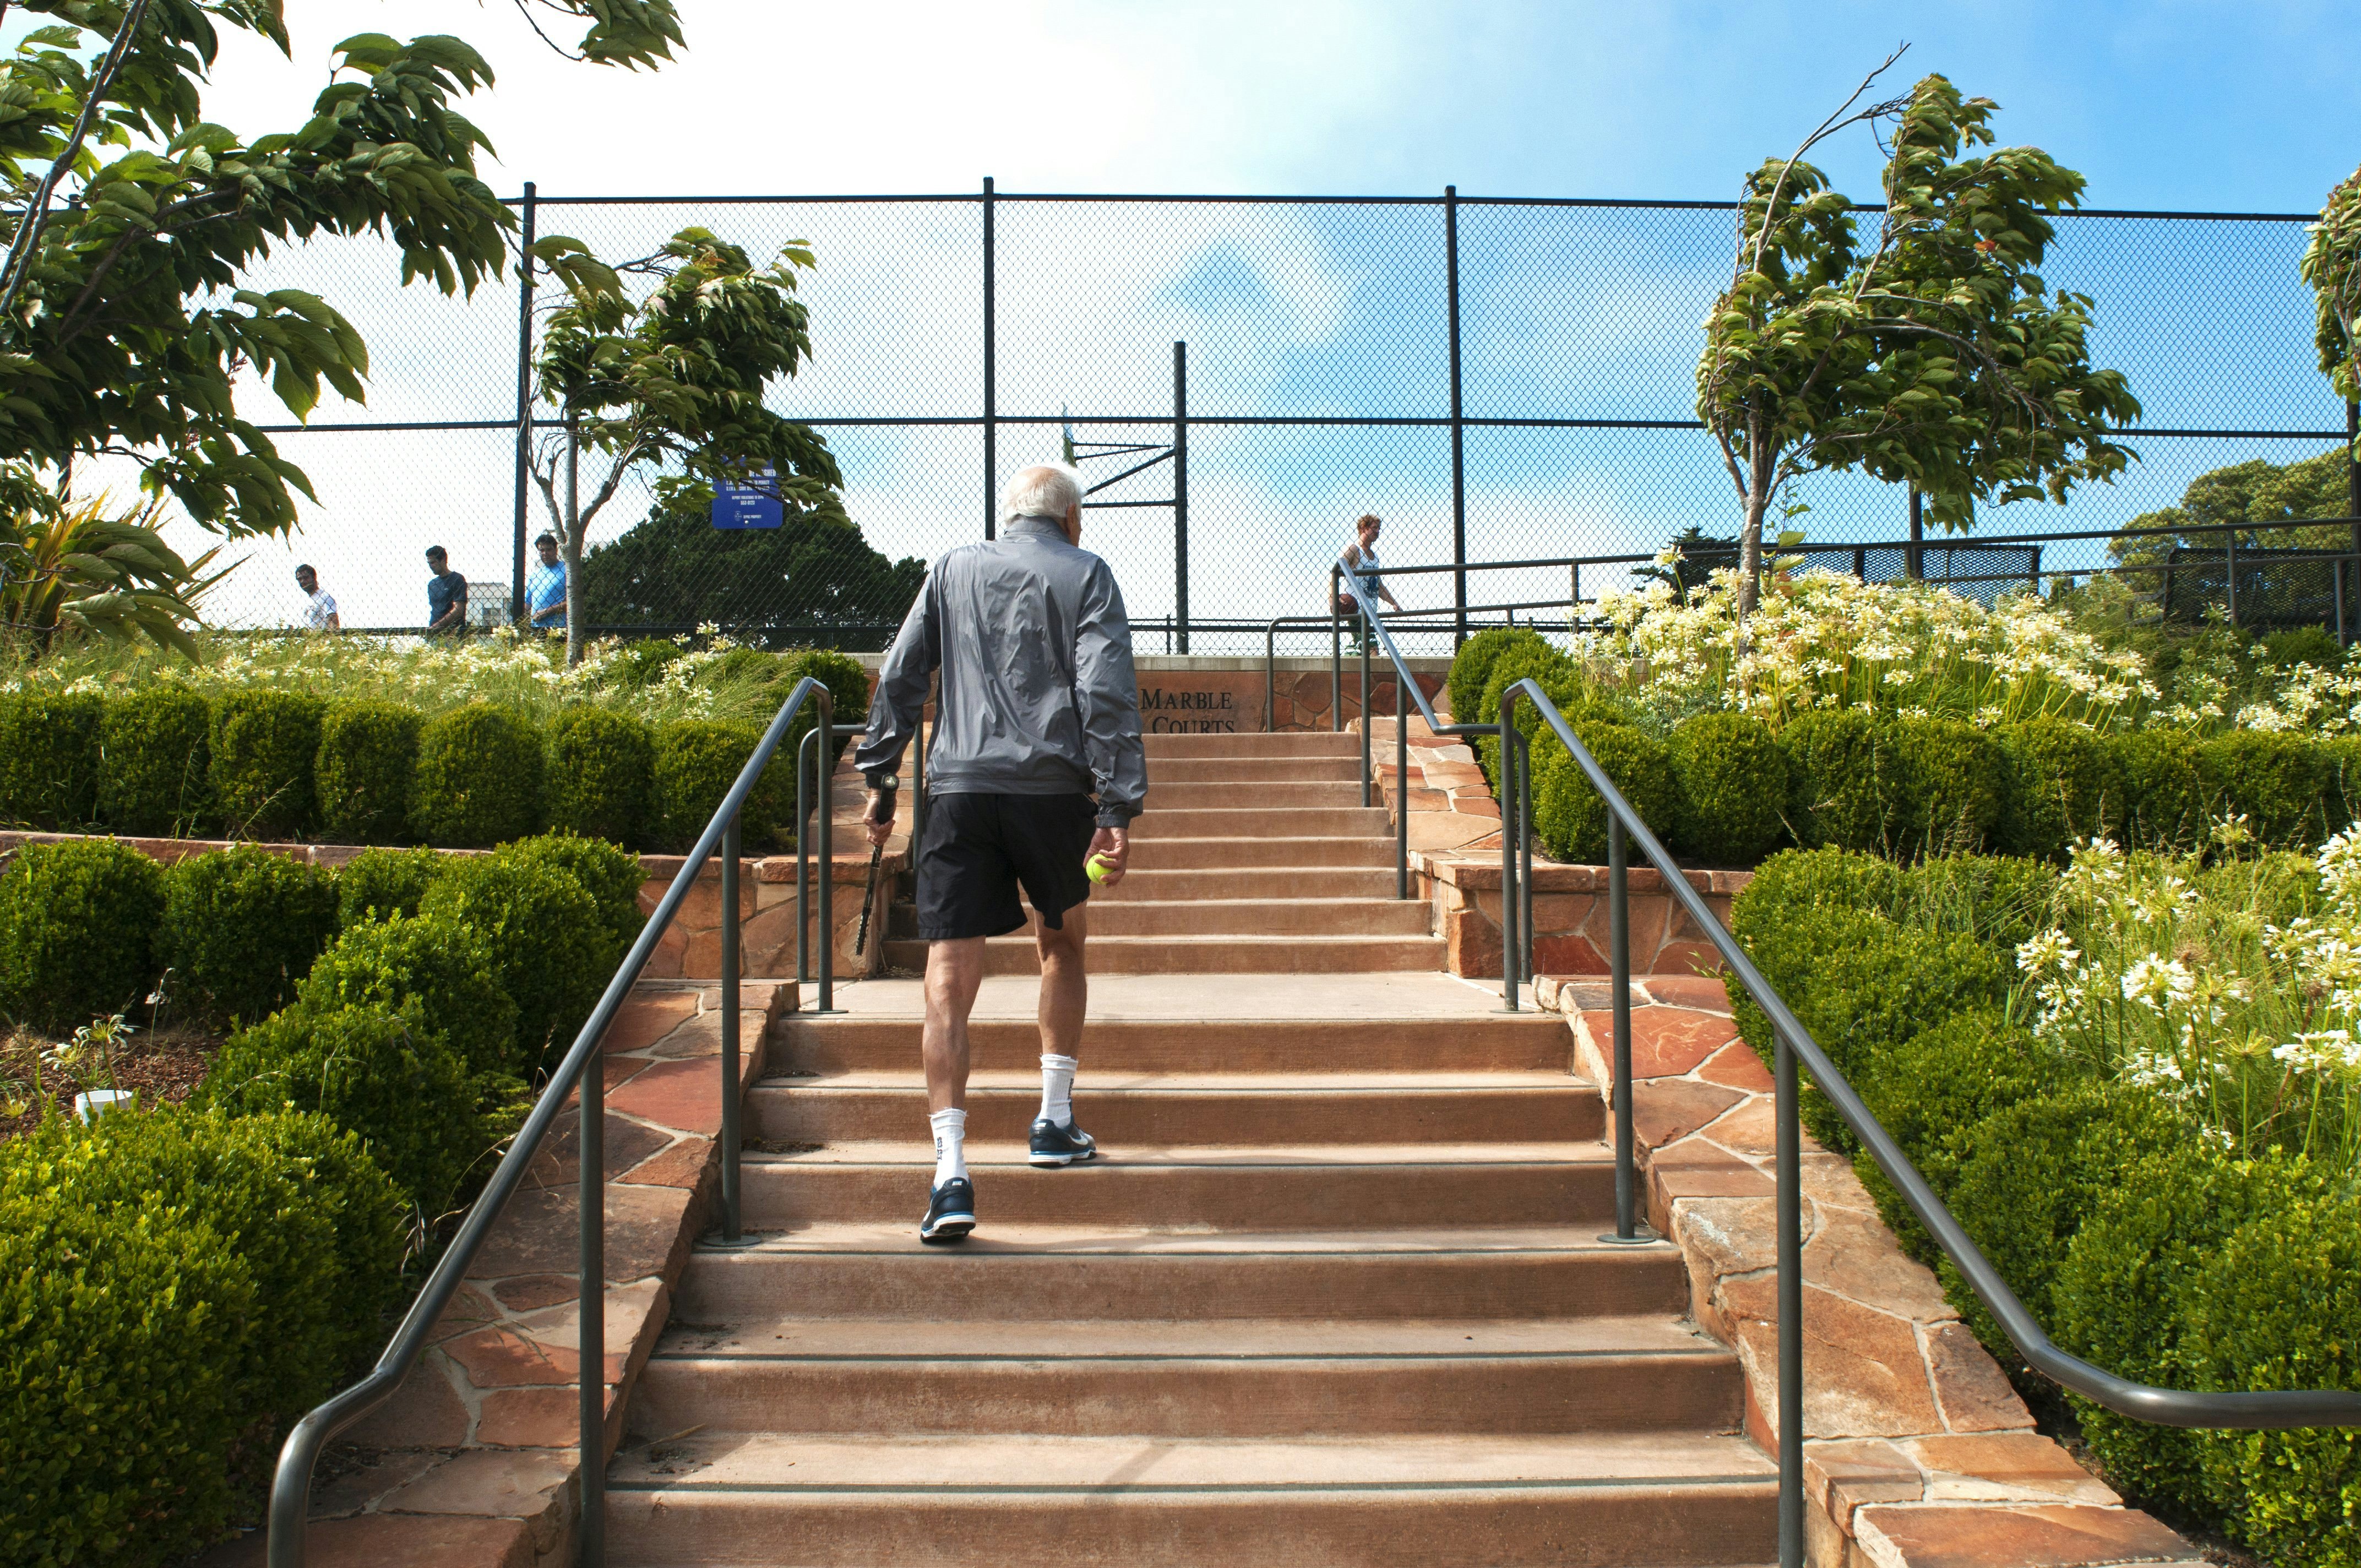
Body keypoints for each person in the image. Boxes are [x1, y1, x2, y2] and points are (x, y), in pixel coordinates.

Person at [855, 462, 1147, 1245]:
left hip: (957, 791)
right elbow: (1107, 691)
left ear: (1008, 514)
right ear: (1072, 520)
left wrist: (882, 776)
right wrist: (1117, 806)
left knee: (948, 976)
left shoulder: (952, 567)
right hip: (1053, 792)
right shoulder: (1088, 574)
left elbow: (901, 674)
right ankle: (1053, 1122)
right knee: (1064, 945)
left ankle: (949, 1172)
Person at [1335, 512, 1402, 649]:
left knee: (1360, 650)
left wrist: (1393, 603)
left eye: (1379, 528)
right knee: (1373, 650)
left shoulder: (1375, 557)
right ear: (1363, 528)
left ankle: (1350, 653)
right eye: (1374, 528)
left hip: (1370, 612)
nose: (1378, 532)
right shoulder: (1354, 550)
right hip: (1356, 610)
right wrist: (1333, 597)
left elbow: (1378, 585)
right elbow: (1334, 573)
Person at [527, 532, 568, 631]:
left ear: (556, 550)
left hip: (558, 629)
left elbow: (573, 602)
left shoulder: (567, 570)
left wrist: (546, 612)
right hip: (536, 629)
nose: (545, 553)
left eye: (549, 549)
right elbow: (527, 605)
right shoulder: (534, 576)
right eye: (542, 550)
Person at [424, 546, 468, 635]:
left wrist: (436, 627)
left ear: (443, 560)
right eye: (429, 563)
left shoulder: (457, 579)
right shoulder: (432, 584)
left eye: (433, 563)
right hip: (434, 635)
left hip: (453, 633)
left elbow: (459, 610)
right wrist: (433, 630)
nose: (431, 566)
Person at [295, 564, 339, 631]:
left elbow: (333, 620)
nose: (303, 581)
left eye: (306, 578)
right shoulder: (307, 602)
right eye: (300, 579)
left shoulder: (324, 597)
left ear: (314, 577)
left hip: (323, 639)